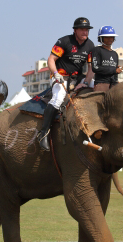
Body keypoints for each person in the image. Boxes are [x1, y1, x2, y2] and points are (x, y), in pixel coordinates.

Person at [38, 17, 95, 151]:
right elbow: (51, 59)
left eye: (87, 30)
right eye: (82, 29)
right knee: (58, 98)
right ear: (75, 30)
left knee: (97, 88)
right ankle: (43, 134)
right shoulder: (64, 41)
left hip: (78, 78)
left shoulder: (90, 45)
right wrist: (56, 74)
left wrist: (86, 82)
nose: (85, 32)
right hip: (60, 77)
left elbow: (91, 68)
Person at [92, 26, 122, 92]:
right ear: (101, 38)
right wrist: (114, 70)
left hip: (114, 85)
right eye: (107, 37)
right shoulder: (97, 50)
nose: (110, 39)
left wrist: (116, 69)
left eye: (112, 37)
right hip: (101, 84)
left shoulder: (115, 54)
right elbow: (95, 68)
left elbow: (113, 72)